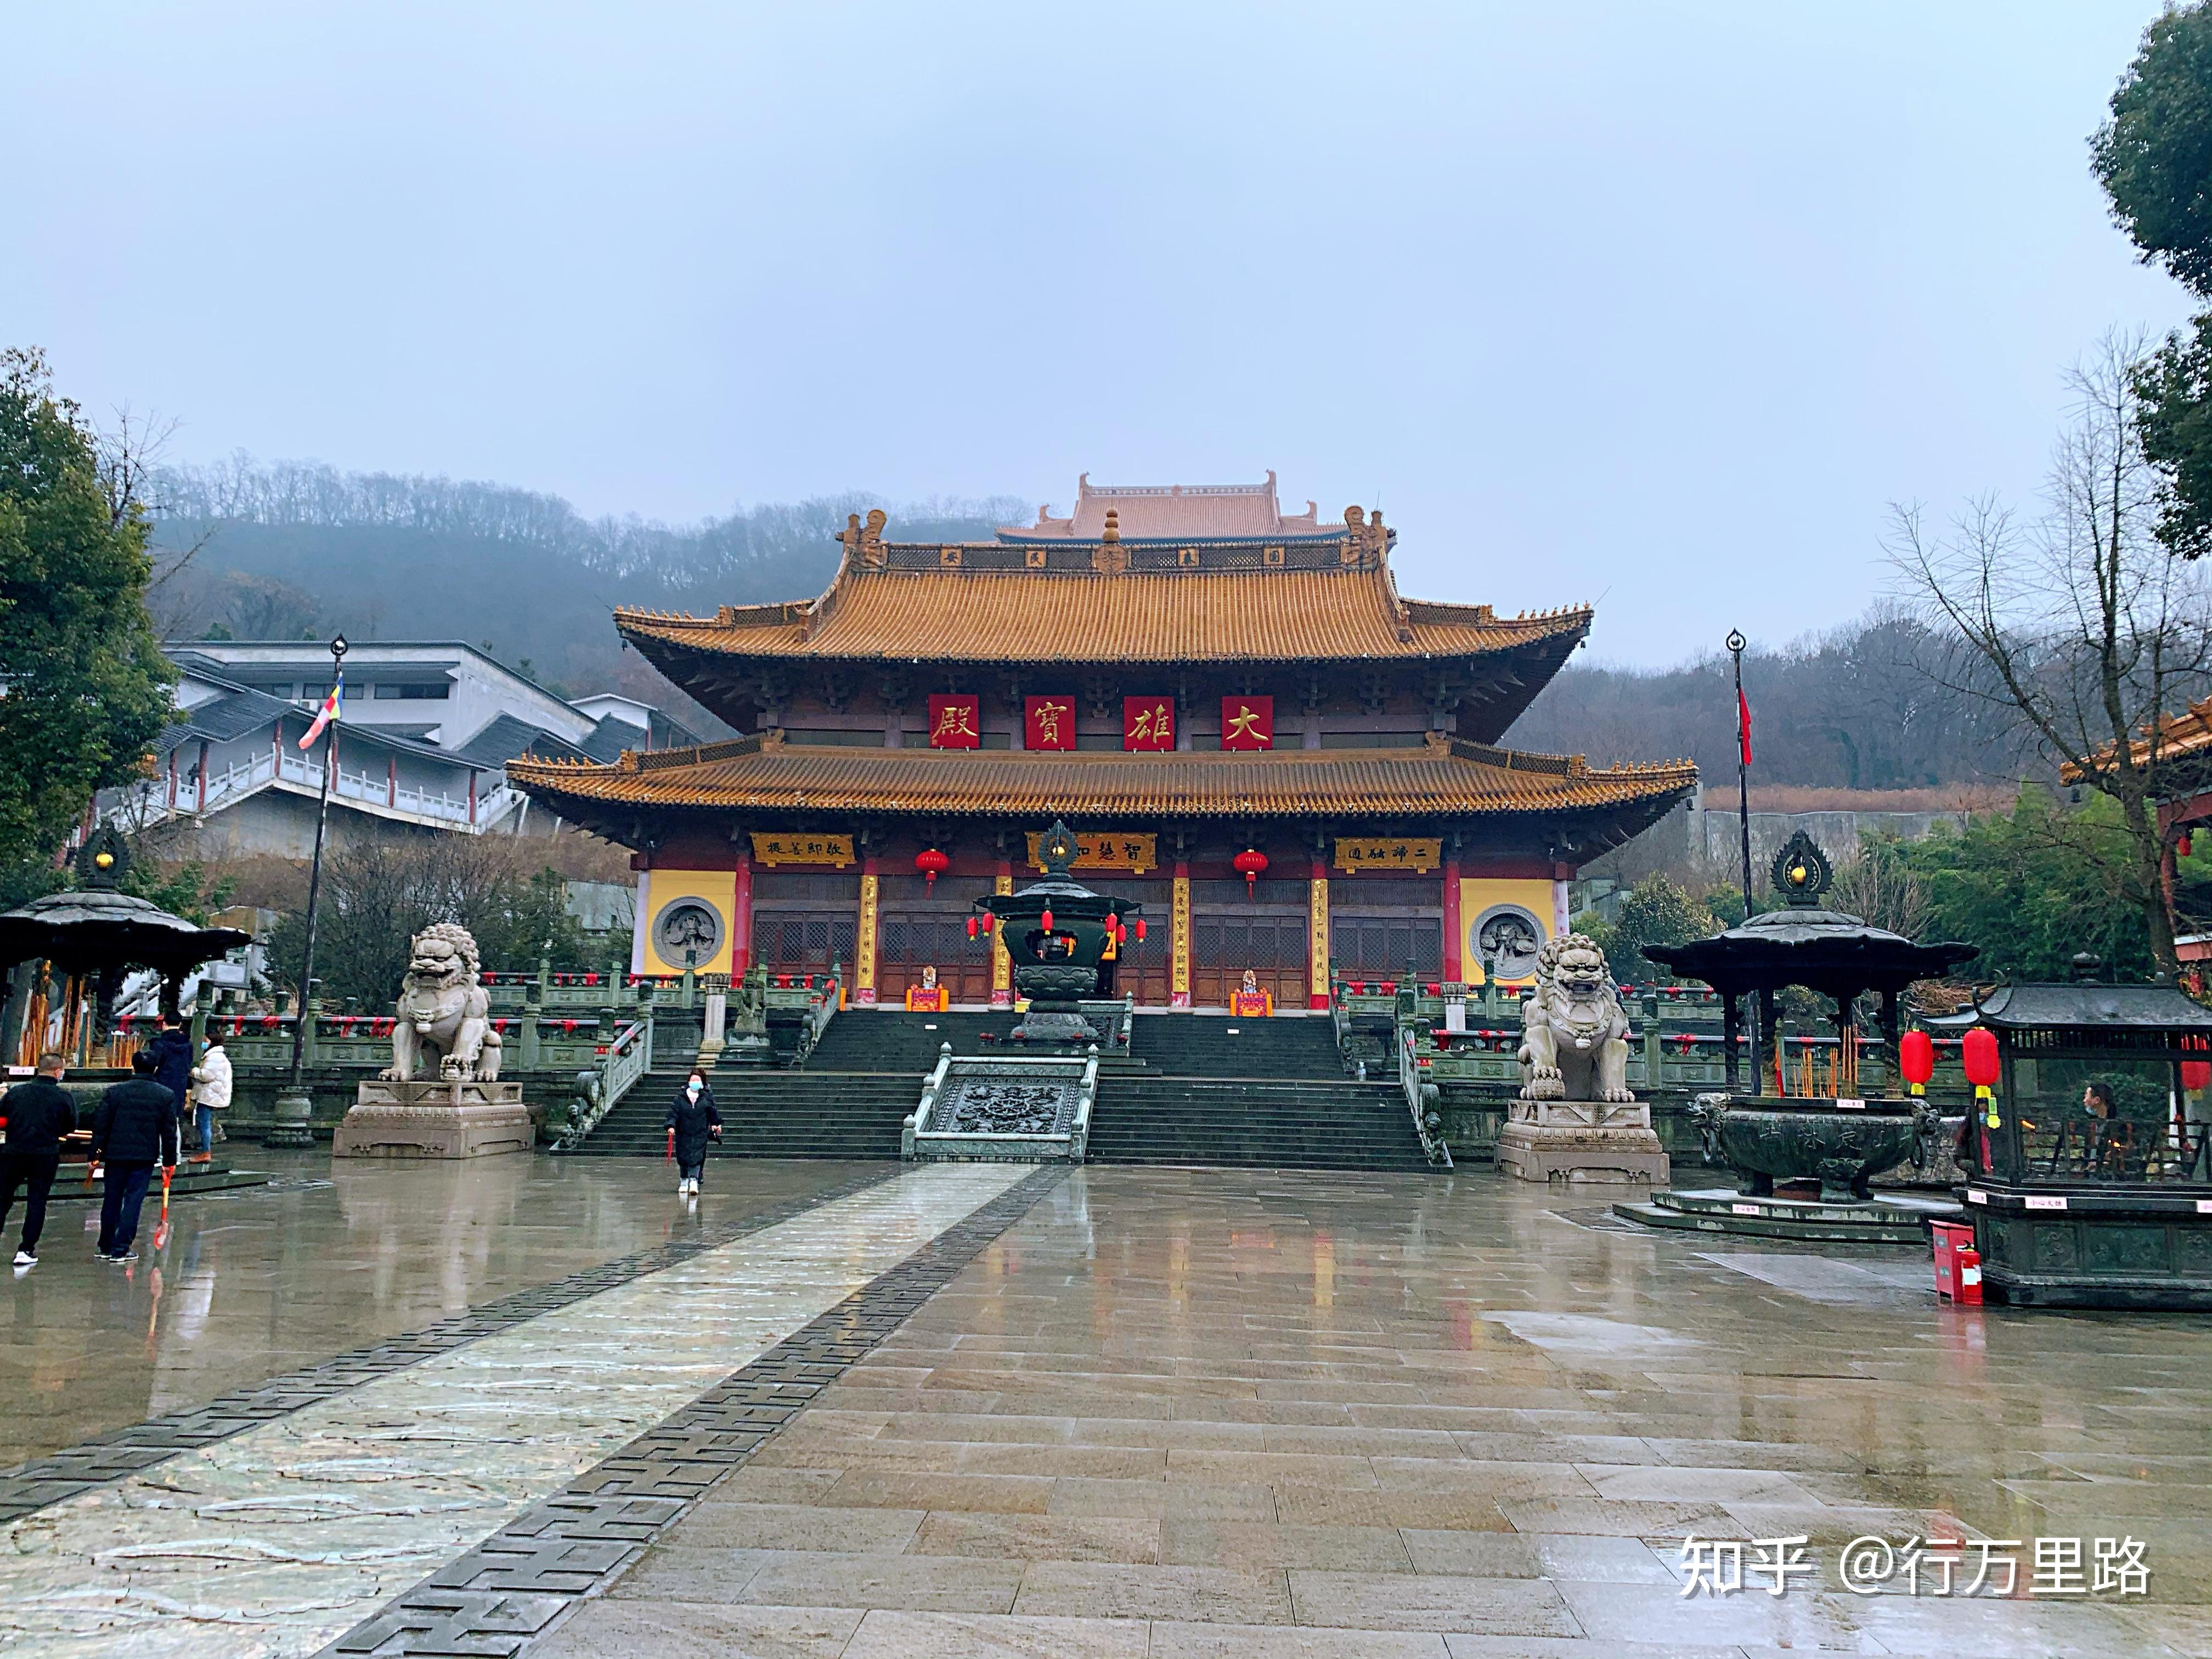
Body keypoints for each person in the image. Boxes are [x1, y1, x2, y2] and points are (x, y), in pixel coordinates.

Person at [89, 1049, 179, 1263]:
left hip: (116, 1154)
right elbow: (168, 1132)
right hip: (144, 1155)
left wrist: (95, 1154)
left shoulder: (115, 1092)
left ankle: (106, 1245)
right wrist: (169, 1161)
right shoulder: (165, 1095)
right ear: (156, 1069)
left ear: (133, 1067)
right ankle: (121, 1248)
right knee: (133, 1200)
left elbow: (100, 1125)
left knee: (111, 1199)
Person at [0, 1052, 76, 1268]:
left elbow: (2, 1120)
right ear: (58, 1072)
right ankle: (26, 1249)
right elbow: (70, 1126)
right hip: (45, 1154)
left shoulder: (16, 1093)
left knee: (3, 1198)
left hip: (13, 1152)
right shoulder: (64, 1098)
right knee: (37, 1200)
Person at [664, 1070, 721, 1195]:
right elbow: (673, 1113)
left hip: (700, 1132)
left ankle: (694, 1180)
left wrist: (716, 1125)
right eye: (693, 1080)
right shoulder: (680, 1098)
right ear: (689, 1081)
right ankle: (684, 1180)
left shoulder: (706, 1097)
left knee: (697, 1156)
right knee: (683, 1157)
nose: (695, 1082)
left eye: (697, 1080)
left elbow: (713, 1113)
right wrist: (671, 1126)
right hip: (683, 1132)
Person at [187, 1030, 231, 1162]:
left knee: (204, 1123)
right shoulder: (217, 1056)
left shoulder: (214, 1057)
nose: (204, 1043)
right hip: (211, 1093)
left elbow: (207, 1075)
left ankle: (206, 1152)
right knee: (203, 1122)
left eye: (206, 1041)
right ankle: (205, 1151)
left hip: (209, 1094)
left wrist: (195, 1071)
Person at [144, 1017, 194, 1113]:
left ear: (164, 1024)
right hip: (181, 1082)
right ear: (180, 1025)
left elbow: (154, 1063)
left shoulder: (159, 1043)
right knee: (175, 1113)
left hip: (162, 1082)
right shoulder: (188, 1044)